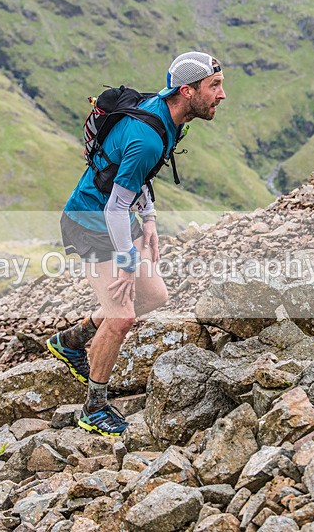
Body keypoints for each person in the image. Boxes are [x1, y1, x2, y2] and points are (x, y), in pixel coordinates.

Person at [46, 51, 226, 436]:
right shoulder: (148, 135)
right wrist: (127, 260)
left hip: (118, 218)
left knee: (155, 297)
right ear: (186, 90)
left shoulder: (168, 116)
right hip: (89, 223)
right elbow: (114, 206)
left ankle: (72, 340)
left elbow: (138, 179)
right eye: (214, 86)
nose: (222, 95)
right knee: (122, 316)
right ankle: (94, 407)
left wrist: (149, 220)